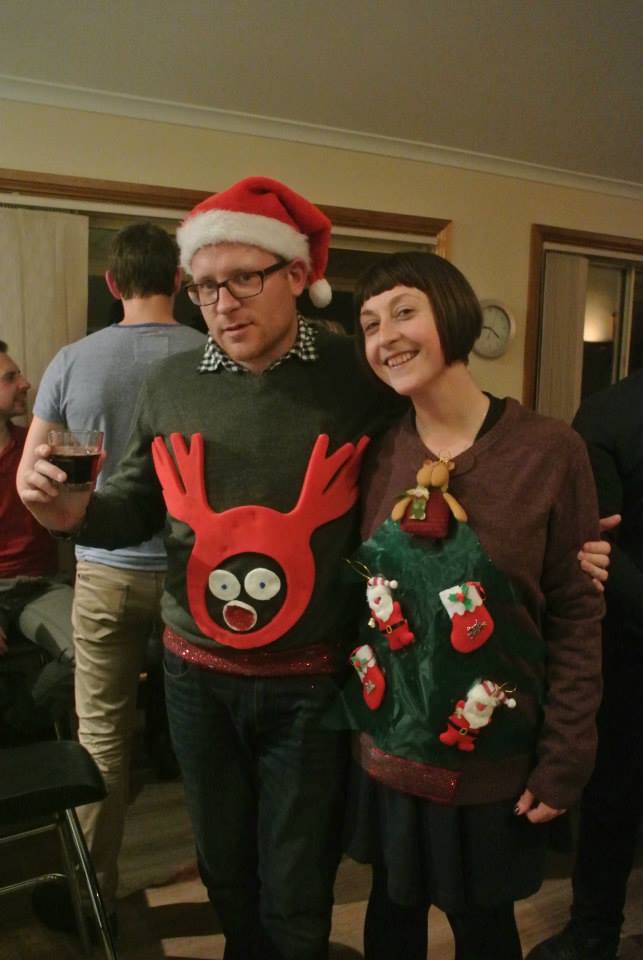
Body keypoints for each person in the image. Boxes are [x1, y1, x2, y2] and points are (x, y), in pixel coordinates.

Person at [17, 178, 612, 960]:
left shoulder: (356, 373)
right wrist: (73, 515)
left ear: (295, 274)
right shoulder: (171, 382)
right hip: (195, 677)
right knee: (224, 867)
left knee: (299, 882)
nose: (221, 304)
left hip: (313, 680)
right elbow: (134, 504)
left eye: (242, 279)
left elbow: (453, 440)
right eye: (204, 287)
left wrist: (562, 536)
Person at [337, 251, 606, 960]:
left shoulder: (550, 451)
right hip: (389, 749)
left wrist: (566, 756)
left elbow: (577, 615)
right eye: (369, 323)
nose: (385, 336)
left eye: (404, 312)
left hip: (492, 760)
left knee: (484, 927)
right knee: (390, 915)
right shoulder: (375, 452)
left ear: (453, 315)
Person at [18, 223, 205, 931]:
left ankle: (91, 898)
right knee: (207, 737)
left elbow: (35, 479)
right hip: (195, 577)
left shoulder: (74, 360)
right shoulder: (210, 353)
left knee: (102, 737)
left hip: (106, 574)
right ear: (179, 281)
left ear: (111, 282)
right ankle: (227, 881)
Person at [526, 370, 643, 960]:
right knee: (613, 793)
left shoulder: (606, 412)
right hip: (626, 645)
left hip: (627, 638)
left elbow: (596, 546)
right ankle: (594, 930)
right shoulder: (610, 414)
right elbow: (595, 544)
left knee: (614, 795)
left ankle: (594, 932)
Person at [0, 340, 74, 725]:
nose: (26, 384)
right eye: (10, 378)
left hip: (40, 585)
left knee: (91, 654)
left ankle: (20, 730)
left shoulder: (36, 447)